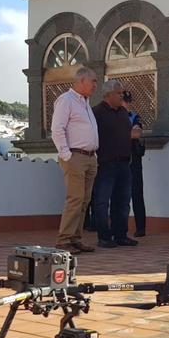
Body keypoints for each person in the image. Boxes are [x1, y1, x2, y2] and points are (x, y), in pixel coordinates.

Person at [50, 67, 99, 255]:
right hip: (75, 157)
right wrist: (66, 154)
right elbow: (57, 129)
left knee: (84, 201)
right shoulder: (66, 100)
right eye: (93, 81)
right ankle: (63, 241)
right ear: (81, 81)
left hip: (89, 157)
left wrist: (94, 155)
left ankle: (75, 238)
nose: (95, 85)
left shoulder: (85, 102)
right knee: (75, 199)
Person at [91, 80, 138, 248]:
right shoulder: (96, 112)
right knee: (103, 201)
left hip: (124, 163)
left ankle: (121, 235)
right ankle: (104, 236)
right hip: (106, 163)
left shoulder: (123, 112)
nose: (122, 96)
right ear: (108, 94)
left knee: (123, 201)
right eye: (118, 93)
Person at [125, 91, 147, 237]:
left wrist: (116, 134)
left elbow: (136, 133)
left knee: (137, 194)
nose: (127, 104)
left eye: (128, 101)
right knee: (119, 196)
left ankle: (141, 228)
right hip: (117, 158)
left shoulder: (134, 116)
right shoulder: (112, 117)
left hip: (133, 159)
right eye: (124, 101)